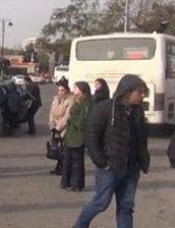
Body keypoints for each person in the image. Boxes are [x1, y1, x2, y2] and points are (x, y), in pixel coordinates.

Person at [74, 74, 150, 228]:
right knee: (100, 203)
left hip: (131, 167)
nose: (142, 96)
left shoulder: (138, 112)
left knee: (126, 207)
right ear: (128, 92)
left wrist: (143, 161)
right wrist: (102, 162)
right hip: (109, 168)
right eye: (139, 92)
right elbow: (91, 136)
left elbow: (141, 139)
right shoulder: (105, 108)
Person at [61, 82, 91, 191]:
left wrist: (73, 121)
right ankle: (66, 181)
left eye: (76, 88)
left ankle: (76, 183)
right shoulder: (76, 101)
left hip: (78, 135)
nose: (74, 90)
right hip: (70, 134)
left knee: (77, 161)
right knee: (68, 159)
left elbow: (83, 119)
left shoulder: (86, 103)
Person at [48, 81, 74, 175]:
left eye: (62, 90)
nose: (60, 93)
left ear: (67, 91)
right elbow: (51, 112)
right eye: (59, 90)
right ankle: (59, 167)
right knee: (58, 148)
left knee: (64, 149)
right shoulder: (55, 99)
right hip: (55, 127)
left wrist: (58, 128)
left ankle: (63, 168)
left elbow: (67, 116)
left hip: (65, 128)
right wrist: (52, 124)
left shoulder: (71, 101)